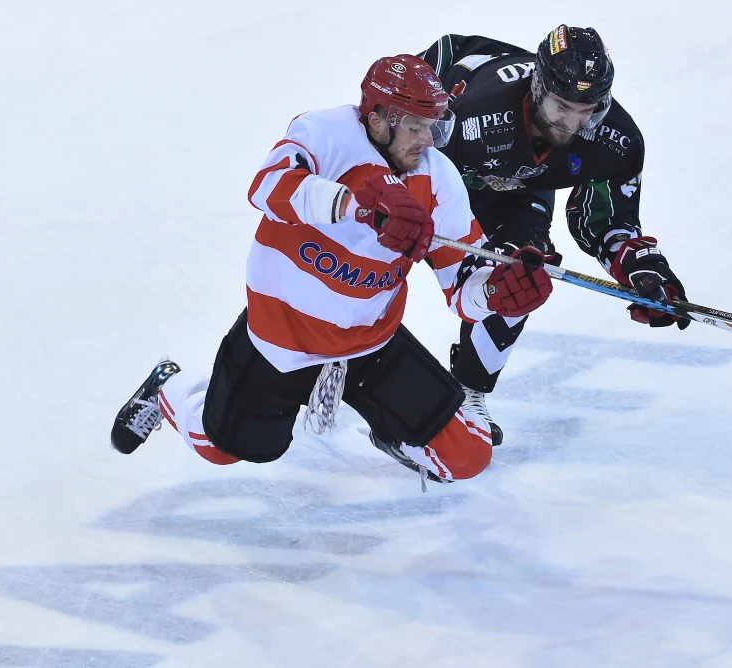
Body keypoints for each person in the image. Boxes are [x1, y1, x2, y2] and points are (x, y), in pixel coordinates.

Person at [109, 54, 553, 486]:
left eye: (435, 126)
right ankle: (170, 386)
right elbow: (266, 187)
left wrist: (496, 295)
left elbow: (462, 288)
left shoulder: (438, 179)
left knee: (468, 455)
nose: (429, 141)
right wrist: (355, 204)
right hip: (282, 339)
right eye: (416, 127)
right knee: (223, 447)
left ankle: (391, 432)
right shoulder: (324, 133)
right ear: (378, 119)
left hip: (369, 341)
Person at [418, 26, 690, 446]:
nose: (573, 123)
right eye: (563, 107)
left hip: (518, 186)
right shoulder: (472, 114)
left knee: (523, 270)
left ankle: (469, 391)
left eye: (588, 109)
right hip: (441, 172)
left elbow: (602, 218)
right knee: (383, 247)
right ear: (537, 87)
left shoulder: (617, 140)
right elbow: (402, 165)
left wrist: (643, 270)